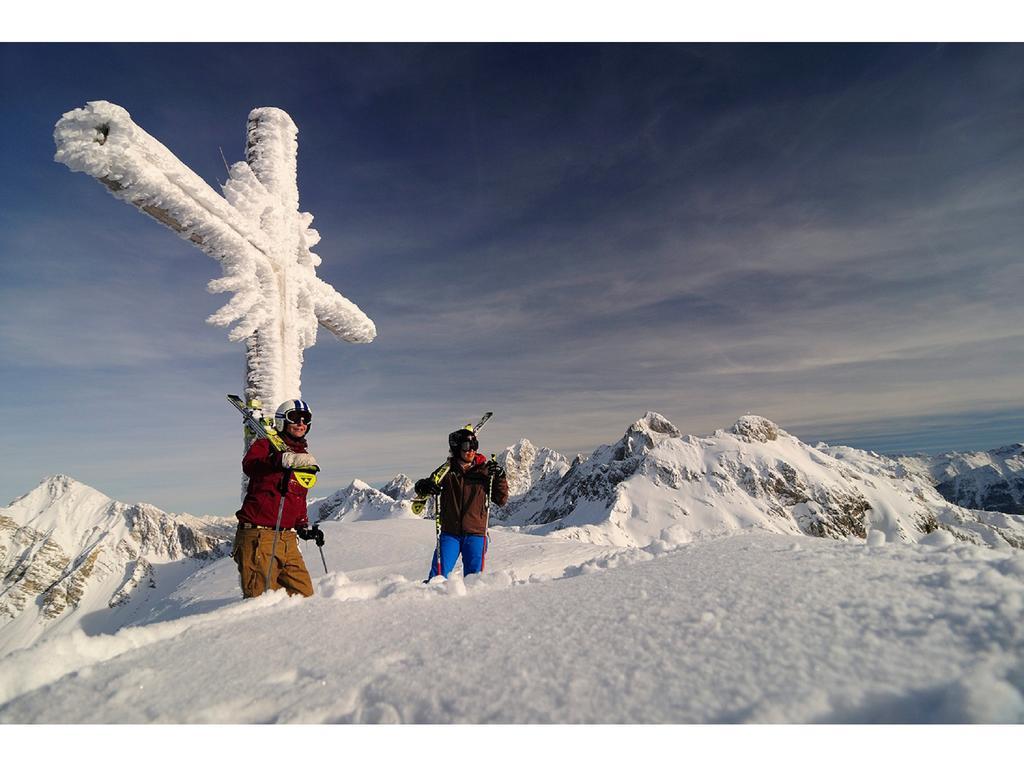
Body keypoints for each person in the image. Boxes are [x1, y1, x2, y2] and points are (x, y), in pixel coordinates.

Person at [231, 398, 324, 598]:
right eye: (294, 417)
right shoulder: (266, 446)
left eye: (305, 419)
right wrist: (279, 459)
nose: (300, 423)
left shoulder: (302, 456)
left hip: (287, 538)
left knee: (304, 596)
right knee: (262, 602)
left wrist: (302, 524)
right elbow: (251, 465)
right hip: (260, 536)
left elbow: (298, 494)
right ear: (282, 420)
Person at [414, 426, 509, 580]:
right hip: (450, 532)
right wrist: (423, 485)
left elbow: (501, 499)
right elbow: (427, 484)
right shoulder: (447, 471)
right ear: (457, 448)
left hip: (476, 533)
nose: (471, 450)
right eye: (466, 446)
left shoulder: (484, 471)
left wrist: (500, 477)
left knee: (474, 579)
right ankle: (432, 603)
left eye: (474, 446)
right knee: (438, 576)